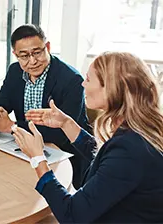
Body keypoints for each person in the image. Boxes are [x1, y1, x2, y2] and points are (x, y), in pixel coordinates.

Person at [13, 52, 163, 222]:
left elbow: (72, 216)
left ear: (111, 88)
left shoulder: (130, 149)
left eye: (88, 79)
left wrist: (38, 159)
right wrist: (66, 124)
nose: (83, 83)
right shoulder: (139, 130)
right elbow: (107, 161)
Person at [0, 24, 91, 188]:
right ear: (15, 55)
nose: (32, 61)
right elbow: (1, 103)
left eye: (37, 53)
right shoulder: (15, 71)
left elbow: (62, 134)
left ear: (47, 47)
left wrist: (12, 127)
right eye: (24, 56)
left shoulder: (72, 79)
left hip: (63, 156)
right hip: (24, 153)